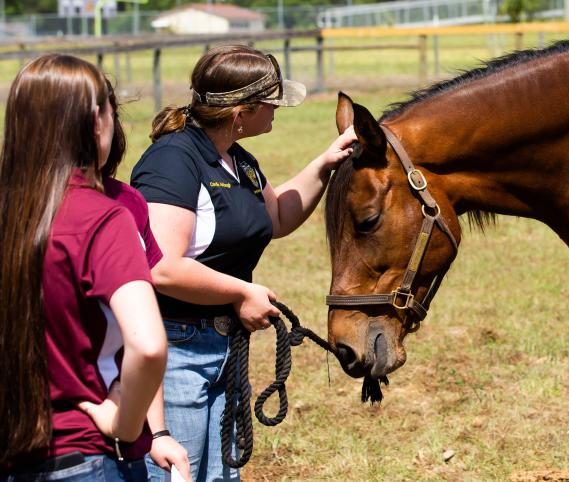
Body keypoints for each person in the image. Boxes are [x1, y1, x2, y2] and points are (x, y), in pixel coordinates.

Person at [131, 45, 356, 481]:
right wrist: (242, 291)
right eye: (270, 102)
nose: (277, 109)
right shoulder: (174, 161)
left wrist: (326, 163)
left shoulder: (238, 161)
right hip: (176, 350)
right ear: (241, 113)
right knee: (178, 474)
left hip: (223, 345)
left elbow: (277, 217)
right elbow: (161, 266)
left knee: (219, 476)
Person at [0, 54, 167, 480]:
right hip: (85, 456)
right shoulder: (103, 217)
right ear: (97, 120)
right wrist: (124, 423)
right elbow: (148, 346)